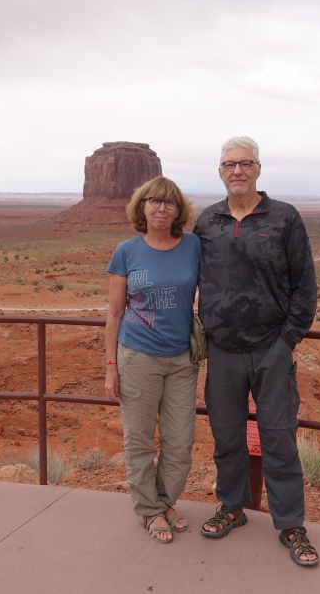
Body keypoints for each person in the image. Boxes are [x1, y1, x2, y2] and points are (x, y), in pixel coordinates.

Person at [193, 136, 320, 565]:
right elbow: (187, 277)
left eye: (246, 163)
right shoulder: (207, 220)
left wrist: (286, 343)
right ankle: (232, 507)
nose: (238, 170)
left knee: (278, 440)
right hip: (222, 352)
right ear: (220, 171)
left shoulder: (284, 217)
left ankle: (290, 525)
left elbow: (305, 287)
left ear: (259, 170)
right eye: (229, 164)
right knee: (227, 439)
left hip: (272, 350)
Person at [104, 176, 201, 544]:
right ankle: (149, 510)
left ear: (179, 210)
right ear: (141, 206)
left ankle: (163, 500)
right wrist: (110, 368)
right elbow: (114, 314)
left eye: (170, 203)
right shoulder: (126, 251)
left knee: (180, 442)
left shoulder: (192, 246)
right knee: (140, 440)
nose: (162, 208)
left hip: (181, 360)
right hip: (137, 357)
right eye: (154, 201)